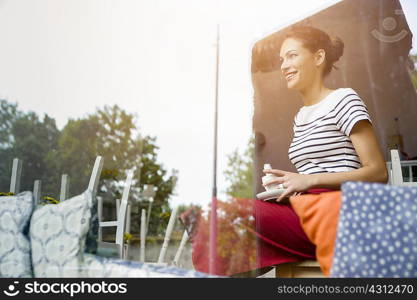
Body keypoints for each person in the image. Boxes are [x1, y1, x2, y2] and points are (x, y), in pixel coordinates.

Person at [181, 25, 388, 277]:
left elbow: (377, 171)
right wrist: (289, 185)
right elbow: (313, 171)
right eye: (282, 59)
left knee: (218, 215)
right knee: (220, 230)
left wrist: (308, 180)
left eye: (292, 55)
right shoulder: (300, 117)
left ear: (318, 57)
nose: (284, 65)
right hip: (306, 207)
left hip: (339, 212)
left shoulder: (344, 99)